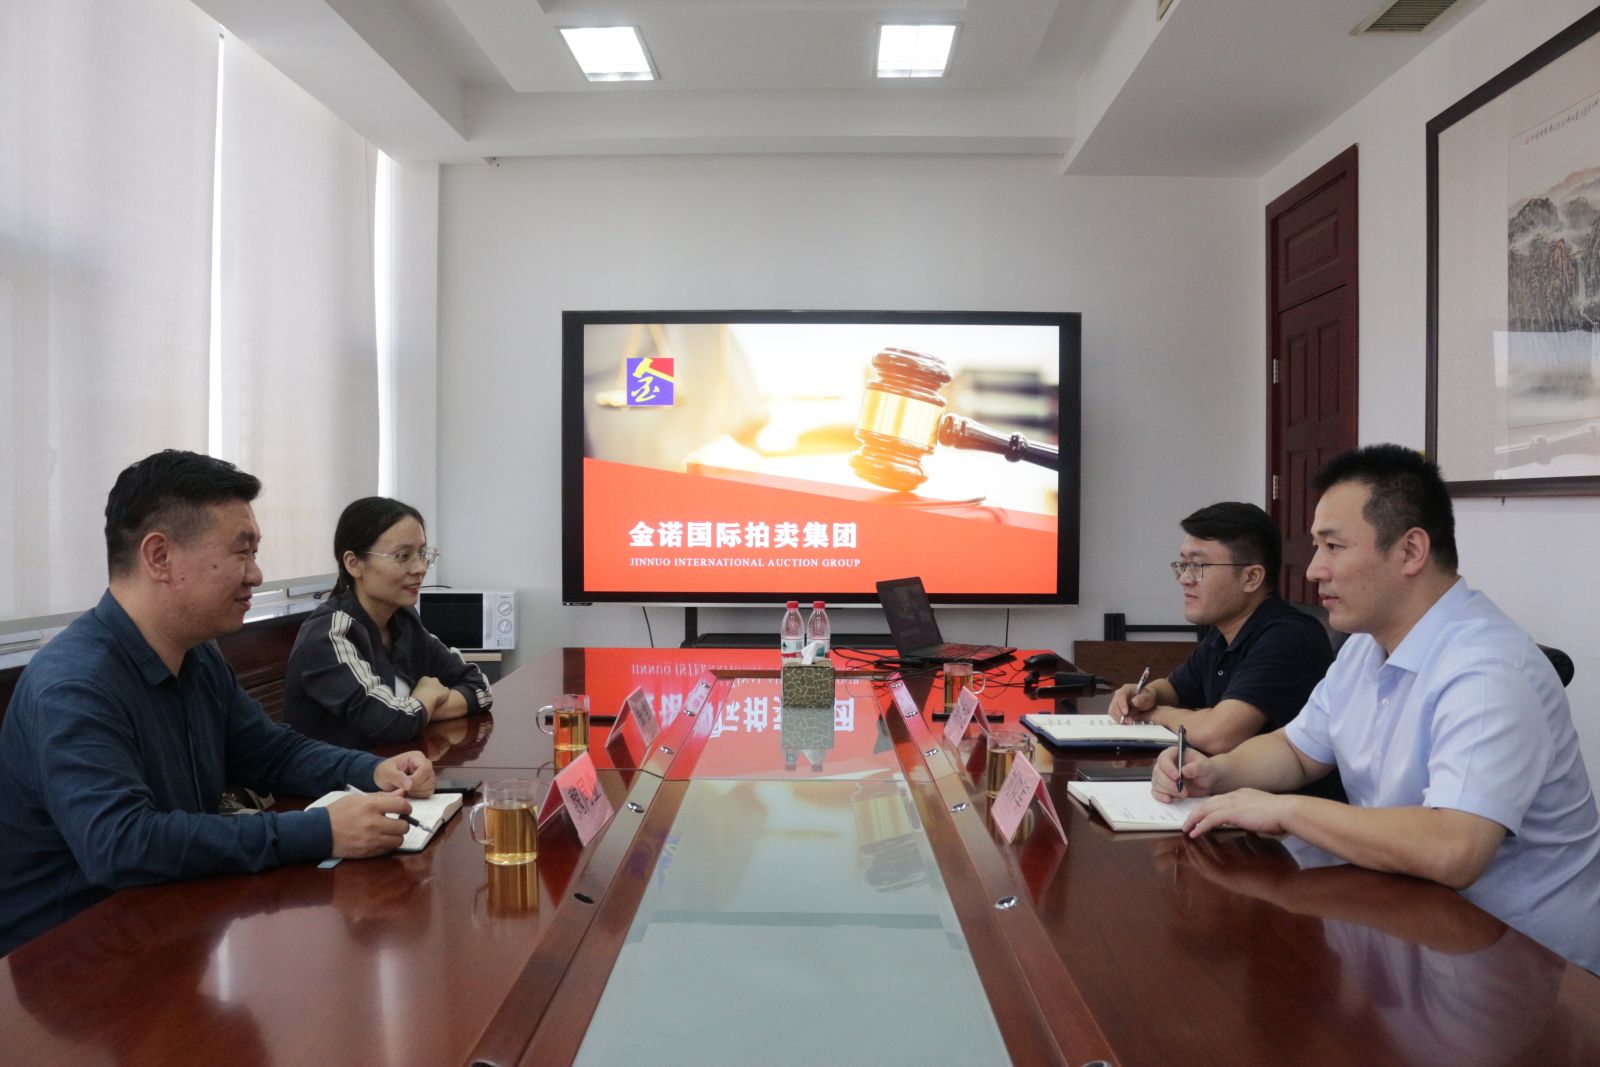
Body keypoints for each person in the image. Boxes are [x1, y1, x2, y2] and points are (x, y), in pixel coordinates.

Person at [1158, 444, 1600, 973]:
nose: (1314, 570)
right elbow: (1297, 751)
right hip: (1407, 922)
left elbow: (1454, 850)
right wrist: (1216, 772)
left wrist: (1286, 810)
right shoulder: (1364, 648)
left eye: (1333, 546)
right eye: (1317, 546)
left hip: (1517, 962)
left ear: (1410, 551)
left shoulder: (1487, 670)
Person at [0, 451, 435, 956]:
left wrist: (371, 771)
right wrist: (321, 831)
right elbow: (122, 844)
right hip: (73, 961)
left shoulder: (197, 655)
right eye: (241, 553)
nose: (256, 574)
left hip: (172, 922)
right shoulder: (74, 684)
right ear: (159, 557)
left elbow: (272, 753)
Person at [1109, 502, 1335, 759]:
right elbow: (1175, 689)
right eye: (1183, 565)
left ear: (1251, 578)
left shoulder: (1288, 637)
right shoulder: (1224, 631)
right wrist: (1146, 694)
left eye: (1198, 566)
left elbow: (1217, 736)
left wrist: (1155, 713)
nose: (1184, 578)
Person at [283, 497, 493, 749]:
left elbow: (480, 687)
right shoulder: (329, 634)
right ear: (354, 563)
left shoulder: (404, 620)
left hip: (392, 766)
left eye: (422, 554)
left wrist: (419, 710)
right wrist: (428, 693)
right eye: (402, 556)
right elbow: (393, 722)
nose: (420, 568)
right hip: (334, 775)